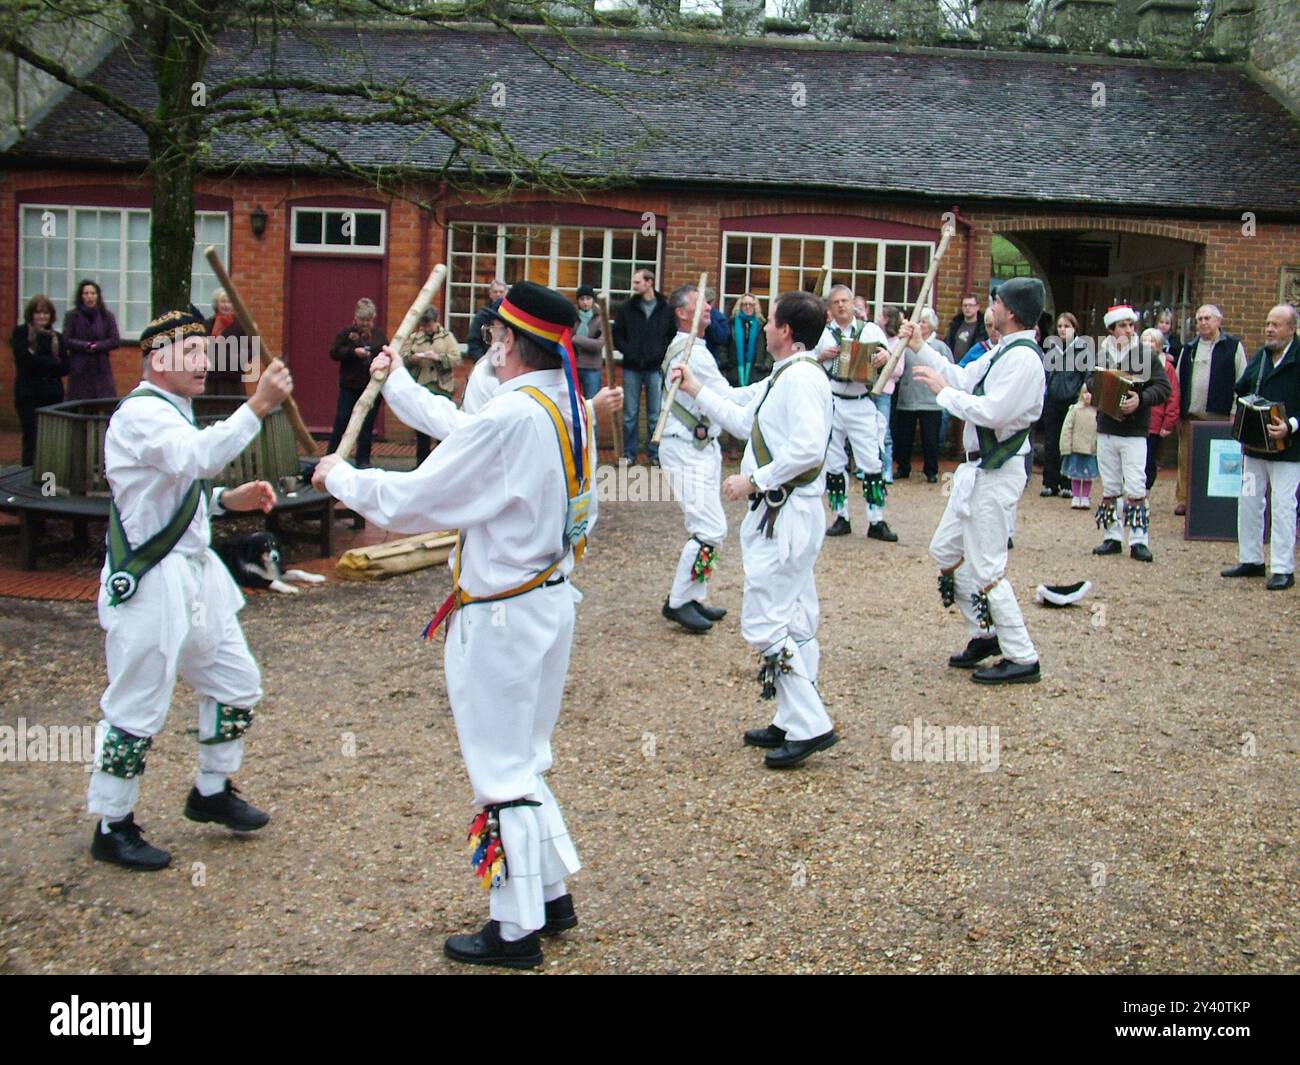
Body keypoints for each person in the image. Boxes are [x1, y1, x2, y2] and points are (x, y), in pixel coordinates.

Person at [313, 281, 594, 969]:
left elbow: (420, 499)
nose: (488, 346)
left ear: (507, 344)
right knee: (524, 758)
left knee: (500, 772)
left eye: (495, 337)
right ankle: (550, 897)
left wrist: (341, 477)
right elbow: (464, 431)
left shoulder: (515, 418)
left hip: (502, 614)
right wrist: (398, 380)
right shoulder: (566, 408)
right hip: (548, 602)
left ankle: (513, 928)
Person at [87, 308, 293, 870]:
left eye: (206, 351)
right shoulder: (140, 415)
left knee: (235, 682)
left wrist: (229, 500)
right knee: (136, 705)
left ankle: (209, 792)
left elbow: (174, 488)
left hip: (197, 573)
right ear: (157, 359)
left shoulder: (173, 411)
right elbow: (195, 457)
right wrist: (259, 406)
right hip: (152, 580)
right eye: (193, 353)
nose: (205, 363)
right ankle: (112, 823)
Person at [672, 290, 837, 769]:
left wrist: (754, 480)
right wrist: (696, 391)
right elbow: (745, 421)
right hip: (787, 513)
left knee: (765, 623)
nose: (764, 328)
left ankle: (809, 724)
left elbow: (808, 449)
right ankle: (791, 716)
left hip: (786, 514)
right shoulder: (787, 375)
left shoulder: (802, 379)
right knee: (796, 619)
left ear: (786, 332)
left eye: (769, 322)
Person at [902, 276, 1046, 685]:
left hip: (998, 471)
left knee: (987, 566)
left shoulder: (1024, 359)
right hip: (975, 471)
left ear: (1011, 312)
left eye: (996, 302)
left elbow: (994, 411)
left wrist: (944, 394)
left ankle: (1022, 656)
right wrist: (918, 347)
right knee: (945, 551)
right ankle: (985, 634)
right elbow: (962, 377)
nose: (990, 308)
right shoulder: (1002, 351)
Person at [659, 285, 729, 633]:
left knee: (708, 525)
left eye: (709, 303)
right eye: (700, 304)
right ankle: (677, 602)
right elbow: (725, 398)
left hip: (697, 446)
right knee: (709, 527)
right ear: (681, 313)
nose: (708, 308)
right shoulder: (691, 352)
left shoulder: (697, 348)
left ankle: (693, 595)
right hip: (685, 446)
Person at [1221, 304, 1300, 591]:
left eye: (1276, 324)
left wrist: (1290, 424)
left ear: (1292, 329)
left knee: (1282, 506)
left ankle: (1282, 567)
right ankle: (1251, 558)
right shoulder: (1262, 357)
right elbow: (1242, 386)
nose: (1269, 329)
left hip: (1289, 449)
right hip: (1256, 446)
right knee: (1250, 500)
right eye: (1267, 323)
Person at [1086, 305, 1171, 563]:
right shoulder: (1101, 355)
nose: (1129, 329)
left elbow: (1163, 388)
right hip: (1107, 428)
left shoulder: (1144, 354)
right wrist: (1093, 391)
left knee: (1135, 485)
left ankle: (1139, 540)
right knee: (1110, 485)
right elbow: (1090, 379)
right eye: (1122, 325)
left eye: (1131, 325)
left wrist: (1141, 399)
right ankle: (1112, 536)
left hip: (1134, 430)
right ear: (1111, 329)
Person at [817, 285, 896, 541]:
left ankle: (877, 520)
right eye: (836, 302)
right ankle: (841, 517)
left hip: (862, 401)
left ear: (853, 303)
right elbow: (804, 358)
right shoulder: (823, 334)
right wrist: (820, 356)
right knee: (834, 461)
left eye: (845, 301)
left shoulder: (870, 330)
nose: (841, 305)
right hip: (833, 402)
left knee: (871, 461)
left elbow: (889, 356)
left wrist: (885, 355)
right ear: (830, 307)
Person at [1174, 304, 1248, 515]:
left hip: (1220, 415)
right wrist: (1178, 411)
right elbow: (1179, 382)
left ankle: (1217, 500)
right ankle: (1184, 500)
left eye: (1208, 318)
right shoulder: (1189, 348)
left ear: (1218, 321)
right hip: (1191, 414)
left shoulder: (1233, 347)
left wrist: (1235, 411)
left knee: (1218, 461)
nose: (1203, 322)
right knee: (1186, 459)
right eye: (1200, 319)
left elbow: (1241, 381)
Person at [612, 268, 673, 465]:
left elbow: (671, 336)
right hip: (632, 367)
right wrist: (629, 352)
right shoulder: (627, 308)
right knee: (630, 414)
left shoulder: (665, 308)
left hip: (655, 368)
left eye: (637, 282)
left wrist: (660, 354)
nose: (634, 286)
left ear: (649, 283)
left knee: (655, 414)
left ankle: (655, 455)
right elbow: (617, 335)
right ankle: (630, 455)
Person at [326, 298, 388, 468]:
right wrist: (353, 352)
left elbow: (387, 354)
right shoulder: (346, 333)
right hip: (349, 386)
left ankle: (363, 461)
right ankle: (332, 457)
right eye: (362, 320)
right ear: (356, 317)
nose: (365, 324)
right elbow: (334, 352)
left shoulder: (379, 336)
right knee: (342, 421)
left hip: (371, 388)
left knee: (367, 426)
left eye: (368, 320)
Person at [12, 294, 69, 467]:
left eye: (45, 313)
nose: (42, 317)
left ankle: (47, 482)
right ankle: (28, 475)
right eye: (38, 313)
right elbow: (24, 360)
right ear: (31, 314)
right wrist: (51, 363)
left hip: (52, 395)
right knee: (31, 436)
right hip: (28, 394)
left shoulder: (57, 338)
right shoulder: (21, 333)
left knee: (51, 440)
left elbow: (65, 367)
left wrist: (40, 361)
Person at [894, 308, 949, 483]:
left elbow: (949, 371)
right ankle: (903, 468)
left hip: (931, 401)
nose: (921, 325)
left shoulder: (940, 347)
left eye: (925, 322)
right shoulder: (905, 345)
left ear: (932, 326)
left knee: (930, 439)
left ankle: (931, 471)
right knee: (904, 438)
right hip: (908, 398)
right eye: (919, 321)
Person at [402, 306, 461, 464]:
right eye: (423, 325)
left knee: (443, 428)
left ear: (436, 322)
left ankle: (442, 464)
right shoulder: (415, 337)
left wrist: (438, 357)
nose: (426, 329)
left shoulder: (447, 337)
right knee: (422, 429)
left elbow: (457, 358)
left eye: (429, 325)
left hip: (442, 388)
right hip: (421, 387)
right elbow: (403, 357)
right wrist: (412, 358)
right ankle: (421, 464)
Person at [1040, 312, 1089, 497]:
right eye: (1060, 326)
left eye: (1066, 326)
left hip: (1071, 400)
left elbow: (1087, 376)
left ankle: (1067, 482)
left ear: (1074, 328)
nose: (1062, 330)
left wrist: (1080, 397)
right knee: (1051, 442)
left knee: (1068, 443)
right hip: (1053, 400)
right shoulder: (1052, 349)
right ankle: (1050, 482)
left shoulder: (1082, 350)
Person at [63, 279, 121, 400]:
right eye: (86, 293)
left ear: (98, 296)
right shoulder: (72, 316)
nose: (90, 297)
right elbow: (66, 339)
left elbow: (115, 340)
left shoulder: (107, 316)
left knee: (103, 402)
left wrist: (98, 346)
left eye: (93, 293)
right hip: (79, 367)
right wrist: (85, 346)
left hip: (101, 367)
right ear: (81, 296)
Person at [1142, 327, 1181, 490]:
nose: (1148, 344)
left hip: (1154, 423)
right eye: (1145, 340)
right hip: (1136, 421)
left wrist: (1168, 422)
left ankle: (1146, 491)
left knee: (1149, 458)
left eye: (1152, 341)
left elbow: (1173, 396)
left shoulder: (1167, 368)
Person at [872, 304, 907, 484]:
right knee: (869, 431)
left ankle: (886, 469)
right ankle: (870, 468)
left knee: (883, 432)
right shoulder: (876, 338)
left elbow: (899, 370)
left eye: (881, 315)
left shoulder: (897, 343)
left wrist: (886, 361)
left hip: (884, 392)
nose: (878, 318)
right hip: (869, 389)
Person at [203, 288, 248, 397]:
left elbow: (253, 348)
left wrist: (238, 358)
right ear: (216, 304)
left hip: (232, 379)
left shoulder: (242, 325)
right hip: (211, 378)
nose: (226, 305)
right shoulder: (207, 324)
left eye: (229, 302)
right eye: (223, 302)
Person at [1059, 385, 1099, 509]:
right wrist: (1065, 446)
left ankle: (1085, 497)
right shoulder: (1074, 410)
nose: (1087, 396)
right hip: (1076, 448)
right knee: (1076, 475)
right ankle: (1076, 496)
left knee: (1087, 476)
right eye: (1085, 393)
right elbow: (1067, 428)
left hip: (1090, 449)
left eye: (1090, 393)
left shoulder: (1097, 412)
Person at [720, 293, 771, 388]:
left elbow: (770, 346)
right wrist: (725, 363)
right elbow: (723, 346)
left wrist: (766, 365)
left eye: (751, 304)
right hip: (734, 374)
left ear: (755, 307)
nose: (747, 307)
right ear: (740, 306)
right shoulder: (731, 324)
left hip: (757, 373)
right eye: (744, 304)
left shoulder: (763, 326)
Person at [571, 285, 605, 400]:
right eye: (582, 299)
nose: (585, 302)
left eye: (588, 298)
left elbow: (598, 345)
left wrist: (576, 338)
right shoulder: (572, 317)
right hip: (573, 366)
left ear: (593, 300)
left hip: (592, 367)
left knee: (592, 404)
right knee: (573, 403)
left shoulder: (600, 318)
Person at [465, 279, 507, 363]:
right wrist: (482, 362)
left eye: (501, 292)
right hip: (485, 361)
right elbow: (473, 342)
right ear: (490, 294)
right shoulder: (481, 317)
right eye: (495, 292)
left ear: (506, 293)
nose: (498, 294)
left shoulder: (511, 317)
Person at [945, 293, 987, 363]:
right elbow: (948, 344)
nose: (967, 308)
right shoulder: (955, 324)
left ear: (977, 307)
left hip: (971, 366)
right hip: (953, 365)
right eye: (965, 305)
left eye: (971, 305)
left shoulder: (982, 327)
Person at [702, 287, 731, 361]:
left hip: (711, 356)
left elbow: (721, 339)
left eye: (708, 302)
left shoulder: (719, 318)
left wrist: (710, 320)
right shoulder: (690, 315)